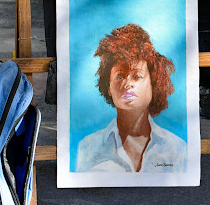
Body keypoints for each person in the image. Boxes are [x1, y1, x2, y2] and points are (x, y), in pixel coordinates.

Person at [75, 23, 186, 173]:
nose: (128, 84)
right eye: (120, 77)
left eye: (137, 76)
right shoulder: (88, 146)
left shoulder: (176, 148)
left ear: (153, 83)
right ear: (108, 86)